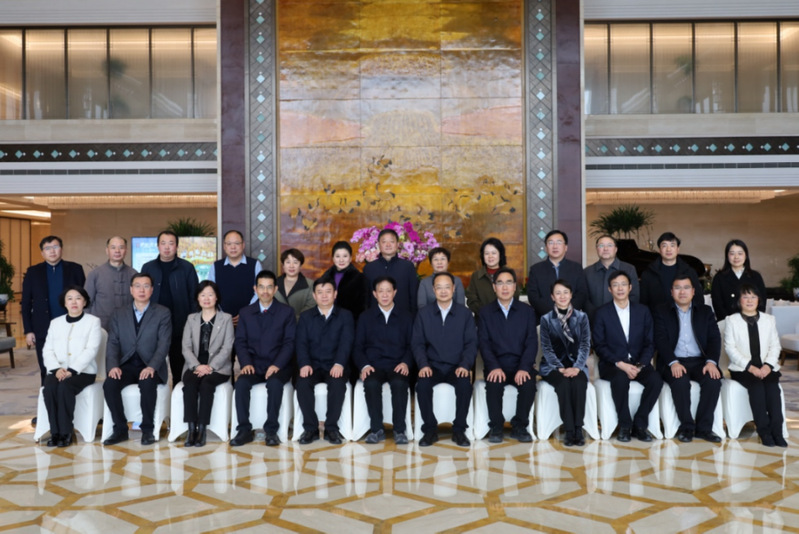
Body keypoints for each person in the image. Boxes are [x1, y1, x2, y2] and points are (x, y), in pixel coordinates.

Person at [102, 273, 172, 446]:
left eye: (146, 286)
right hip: (126, 365)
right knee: (109, 384)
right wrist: (113, 366)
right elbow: (113, 343)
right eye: (138, 286)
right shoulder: (119, 313)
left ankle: (147, 430)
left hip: (150, 365)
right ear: (131, 289)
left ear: (152, 290)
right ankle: (120, 429)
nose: (142, 290)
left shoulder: (162, 313)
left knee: (147, 383)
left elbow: (164, 344)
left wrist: (152, 367)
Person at [593, 271, 662, 442]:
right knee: (620, 379)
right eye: (615, 285)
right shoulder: (601, 313)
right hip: (612, 365)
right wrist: (620, 364)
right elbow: (599, 346)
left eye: (623, 284)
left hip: (639, 363)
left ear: (630, 287)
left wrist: (640, 365)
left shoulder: (643, 311)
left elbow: (650, 342)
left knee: (656, 380)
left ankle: (640, 423)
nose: (620, 288)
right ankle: (625, 425)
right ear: (609, 289)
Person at [653, 274, 723, 443]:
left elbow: (714, 339)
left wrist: (711, 362)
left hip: (700, 361)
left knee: (713, 380)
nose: (682, 292)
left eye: (686, 288)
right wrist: (673, 362)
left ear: (693, 291)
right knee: (680, 381)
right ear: (671, 292)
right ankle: (686, 427)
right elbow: (660, 340)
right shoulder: (661, 311)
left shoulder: (705, 311)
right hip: (673, 361)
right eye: (678, 288)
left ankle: (704, 428)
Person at [230, 270, 296, 447]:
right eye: (261, 287)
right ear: (255, 289)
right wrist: (246, 363)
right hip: (254, 364)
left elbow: (289, 343)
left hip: (279, 366)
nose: (265, 291)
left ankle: (271, 431)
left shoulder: (286, 312)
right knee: (241, 384)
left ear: (275, 289)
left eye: (269, 287)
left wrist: (277, 365)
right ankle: (244, 430)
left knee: (274, 384)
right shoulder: (246, 313)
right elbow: (240, 342)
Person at [412, 272, 477, 447]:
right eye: (439, 287)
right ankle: (430, 430)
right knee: (422, 386)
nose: (443, 291)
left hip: (457, 366)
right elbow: (417, 343)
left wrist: (465, 365)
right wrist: (423, 365)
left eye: (447, 287)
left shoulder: (465, 314)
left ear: (454, 289)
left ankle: (459, 430)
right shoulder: (424, 314)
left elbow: (471, 343)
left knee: (465, 386)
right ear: (433, 290)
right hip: (431, 366)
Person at [477, 267, 537, 443]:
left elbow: (531, 343)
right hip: (497, 364)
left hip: (520, 364)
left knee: (528, 385)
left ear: (515, 286)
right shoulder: (485, 313)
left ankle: (520, 426)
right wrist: (494, 367)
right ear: (494, 287)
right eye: (500, 283)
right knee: (494, 384)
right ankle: (496, 427)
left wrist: (524, 367)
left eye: (509, 283)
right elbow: (484, 344)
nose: (504, 287)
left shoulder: (527, 312)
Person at [723, 284, 786, 447]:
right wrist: (750, 367)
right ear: (739, 300)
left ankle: (777, 432)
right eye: (745, 297)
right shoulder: (731, 320)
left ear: (759, 300)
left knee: (772, 390)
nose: (749, 300)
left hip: (766, 367)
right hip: (743, 369)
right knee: (757, 388)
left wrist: (768, 366)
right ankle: (764, 432)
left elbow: (775, 346)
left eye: (753, 297)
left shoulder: (769, 320)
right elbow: (730, 348)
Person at [295, 276, 355, 445]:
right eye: (320, 292)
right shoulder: (306, 317)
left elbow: (346, 342)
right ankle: (310, 428)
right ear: (314, 296)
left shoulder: (345, 316)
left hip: (334, 365)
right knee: (302, 383)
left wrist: (339, 363)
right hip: (312, 365)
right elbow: (301, 343)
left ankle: (331, 428)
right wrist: (304, 363)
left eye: (328, 292)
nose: (324, 296)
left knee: (337, 384)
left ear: (335, 294)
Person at [354, 276, 414, 445]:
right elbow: (357, 346)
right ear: (375, 294)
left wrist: (406, 362)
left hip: (398, 365)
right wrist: (364, 366)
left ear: (395, 292)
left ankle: (399, 430)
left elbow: (413, 345)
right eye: (381, 291)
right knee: (371, 383)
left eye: (388, 291)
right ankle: (376, 429)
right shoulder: (365, 317)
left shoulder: (406, 317)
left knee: (399, 383)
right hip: (374, 365)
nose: (385, 295)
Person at [22, 235, 86, 389]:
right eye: (47, 248)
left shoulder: (75, 269)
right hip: (43, 328)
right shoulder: (33, 272)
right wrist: (28, 330)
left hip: (71, 327)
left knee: (71, 367)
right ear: (42, 253)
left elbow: (83, 299)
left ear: (61, 249)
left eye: (55, 247)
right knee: (46, 368)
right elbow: (26, 303)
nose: (52, 251)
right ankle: (47, 400)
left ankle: (67, 398)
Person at [41, 286, 102, 447]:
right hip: (57, 370)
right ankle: (55, 432)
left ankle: (66, 432)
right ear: (64, 303)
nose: (74, 302)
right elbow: (47, 350)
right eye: (69, 298)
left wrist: (72, 370)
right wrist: (56, 369)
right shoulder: (55, 323)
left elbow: (91, 350)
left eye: (78, 298)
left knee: (64, 387)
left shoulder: (93, 322)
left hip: (83, 372)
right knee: (49, 388)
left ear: (84, 302)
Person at [180, 281, 234, 447]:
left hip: (218, 368)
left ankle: (202, 429)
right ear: (197, 298)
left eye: (210, 294)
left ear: (216, 297)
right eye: (202, 295)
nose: (206, 298)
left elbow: (227, 347)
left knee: (206, 384)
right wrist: (197, 366)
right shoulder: (191, 319)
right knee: (190, 384)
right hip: (195, 366)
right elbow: (186, 347)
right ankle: (191, 430)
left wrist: (210, 367)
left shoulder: (226, 318)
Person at [141, 230, 199, 385]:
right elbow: (141, 295)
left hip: (180, 323)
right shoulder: (148, 267)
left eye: (171, 243)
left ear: (177, 246)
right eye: (163, 243)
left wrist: (192, 322)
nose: (167, 247)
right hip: (153, 324)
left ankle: (178, 392)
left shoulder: (187, 268)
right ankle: (156, 393)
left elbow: (194, 297)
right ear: (158, 246)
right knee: (153, 362)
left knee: (178, 362)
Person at [538, 279, 590, 446]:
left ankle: (578, 429)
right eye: (558, 293)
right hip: (552, 367)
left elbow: (585, 345)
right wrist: (560, 368)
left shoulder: (582, 317)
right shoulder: (546, 319)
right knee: (564, 384)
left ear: (571, 295)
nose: (562, 296)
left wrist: (577, 367)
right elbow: (546, 348)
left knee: (579, 383)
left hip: (577, 365)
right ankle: (569, 430)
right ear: (552, 297)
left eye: (565, 292)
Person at [526, 230, 588, 321]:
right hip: (544, 320)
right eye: (551, 243)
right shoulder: (536, 270)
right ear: (546, 247)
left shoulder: (576, 268)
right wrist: (552, 314)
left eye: (559, 242)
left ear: (565, 247)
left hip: (571, 319)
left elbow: (581, 293)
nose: (555, 246)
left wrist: (567, 312)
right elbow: (533, 296)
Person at [207, 230, 262, 324]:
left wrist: (246, 312)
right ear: (224, 246)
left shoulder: (255, 265)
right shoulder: (216, 266)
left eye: (237, 243)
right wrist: (222, 314)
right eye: (229, 244)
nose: (233, 247)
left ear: (243, 245)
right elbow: (210, 292)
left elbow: (260, 291)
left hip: (251, 317)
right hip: (221, 319)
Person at [640, 232, 703, 312]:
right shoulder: (648, 274)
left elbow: (698, 299)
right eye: (664, 246)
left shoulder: (689, 272)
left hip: (684, 316)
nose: (668, 249)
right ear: (659, 250)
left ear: (678, 249)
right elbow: (643, 302)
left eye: (672, 245)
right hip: (656, 317)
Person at [85, 236, 137, 331]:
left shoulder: (134, 274)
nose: (117, 251)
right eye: (113, 247)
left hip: (127, 326)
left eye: (121, 247)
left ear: (126, 250)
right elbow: (86, 303)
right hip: (101, 327)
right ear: (107, 250)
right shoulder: (95, 274)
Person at [584, 235, 639, 321]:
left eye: (609, 245)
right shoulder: (587, 272)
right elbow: (585, 299)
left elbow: (634, 296)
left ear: (616, 249)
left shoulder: (629, 269)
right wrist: (597, 316)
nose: (605, 249)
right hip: (595, 320)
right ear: (597, 249)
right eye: (601, 245)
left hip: (622, 319)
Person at [363, 228, 418, 313]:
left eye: (392, 241)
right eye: (384, 242)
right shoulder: (369, 268)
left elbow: (413, 295)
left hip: (403, 317)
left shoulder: (408, 267)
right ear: (378, 245)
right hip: (375, 317)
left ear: (397, 244)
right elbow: (366, 298)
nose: (388, 245)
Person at [711, 239, 767, 321]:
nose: (736, 257)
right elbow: (717, 304)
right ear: (727, 256)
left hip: (752, 322)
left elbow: (762, 302)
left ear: (746, 255)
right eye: (732, 253)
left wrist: (754, 321)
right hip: (727, 321)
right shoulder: (719, 277)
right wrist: (728, 321)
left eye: (740, 253)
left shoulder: (755, 276)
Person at [465, 238, 516, 317]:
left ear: (500, 254)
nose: (490, 256)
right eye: (487, 253)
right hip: (482, 319)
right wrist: (487, 313)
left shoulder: (509, 274)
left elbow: (515, 296)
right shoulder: (476, 276)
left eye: (494, 253)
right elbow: (471, 300)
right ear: (482, 256)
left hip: (506, 318)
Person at [321, 241, 370, 321]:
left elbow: (364, 307)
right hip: (328, 321)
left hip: (350, 322)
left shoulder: (359, 278)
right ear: (333, 258)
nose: (341, 260)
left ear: (350, 258)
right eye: (337, 256)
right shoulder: (325, 277)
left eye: (345, 256)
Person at [275, 248, 316, 320]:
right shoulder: (274, 283)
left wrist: (293, 320)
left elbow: (310, 306)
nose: (291, 266)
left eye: (295, 262)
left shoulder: (310, 284)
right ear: (283, 265)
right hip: (277, 323)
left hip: (301, 323)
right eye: (288, 262)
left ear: (300, 265)